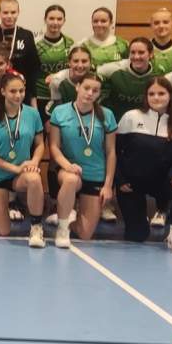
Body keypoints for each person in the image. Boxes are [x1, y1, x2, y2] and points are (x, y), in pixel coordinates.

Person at [115, 77, 172, 253]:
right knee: (137, 235)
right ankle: (139, 220)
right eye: (151, 94)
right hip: (132, 183)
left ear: (170, 95)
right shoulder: (131, 117)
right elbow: (116, 151)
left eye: (161, 93)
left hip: (162, 182)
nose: (156, 97)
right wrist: (120, 179)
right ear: (146, 96)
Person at [0, 71, 46, 246]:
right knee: (3, 231)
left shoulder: (33, 114)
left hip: (21, 174)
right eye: (13, 91)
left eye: (21, 91)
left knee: (34, 179)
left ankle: (36, 227)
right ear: (3, 92)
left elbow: (40, 144)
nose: (18, 95)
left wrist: (34, 162)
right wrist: (14, 168)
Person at [48, 72, 116, 247]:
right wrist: (67, 165)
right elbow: (54, 146)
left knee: (85, 234)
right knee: (71, 180)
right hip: (69, 170)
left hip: (95, 174)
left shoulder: (107, 115)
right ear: (77, 87)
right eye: (86, 88)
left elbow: (111, 152)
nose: (90, 93)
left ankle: (65, 216)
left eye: (95, 90)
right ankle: (63, 228)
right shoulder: (60, 112)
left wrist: (108, 185)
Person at [0, 0, 42, 99]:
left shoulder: (26, 35)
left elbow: (33, 68)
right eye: (5, 12)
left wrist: (32, 97)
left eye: (13, 12)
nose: (9, 16)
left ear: (18, 12)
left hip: (19, 92)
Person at [101, 38, 155, 119]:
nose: (136, 57)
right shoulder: (114, 70)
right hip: (117, 121)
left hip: (146, 122)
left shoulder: (157, 73)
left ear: (151, 54)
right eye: (132, 52)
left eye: (141, 52)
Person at [34, 5, 74, 114]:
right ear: (45, 20)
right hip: (41, 95)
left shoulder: (70, 43)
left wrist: (57, 76)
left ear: (64, 21)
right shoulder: (35, 43)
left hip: (63, 95)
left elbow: (74, 69)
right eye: (51, 18)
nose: (55, 22)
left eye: (59, 19)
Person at [46, 45, 93, 111]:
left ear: (90, 62)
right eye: (76, 61)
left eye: (84, 61)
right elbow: (59, 110)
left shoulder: (95, 81)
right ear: (69, 62)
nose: (80, 65)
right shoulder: (58, 81)